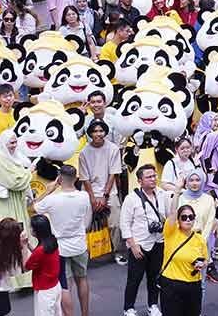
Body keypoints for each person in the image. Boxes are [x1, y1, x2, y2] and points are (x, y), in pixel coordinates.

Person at [33, 165, 93, 316]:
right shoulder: (84, 196)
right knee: (82, 278)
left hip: (60, 247)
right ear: (76, 178)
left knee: (64, 284)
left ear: (59, 178)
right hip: (79, 244)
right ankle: (85, 314)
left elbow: (34, 207)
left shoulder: (52, 200)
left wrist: (48, 190)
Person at [120, 165, 169, 316]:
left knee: (155, 277)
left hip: (158, 242)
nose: (153, 179)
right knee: (134, 279)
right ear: (140, 181)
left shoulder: (162, 194)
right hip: (139, 244)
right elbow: (125, 224)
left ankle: (153, 305)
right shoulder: (131, 198)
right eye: (149, 177)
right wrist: (133, 245)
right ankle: (128, 307)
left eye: (154, 176)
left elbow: (169, 215)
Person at [0, 131, 34, 289]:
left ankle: (25, 279)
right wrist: (28, 173)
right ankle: (9, 279)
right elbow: (12, 182)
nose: (14, 145)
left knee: (22, 238)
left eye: (15, 142)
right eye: (11, 142)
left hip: (18, 202)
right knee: (8, 239)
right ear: (3, 143)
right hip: (6, 203)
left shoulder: (18, 157)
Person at [78, 120, 122, 265]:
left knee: (115, 223)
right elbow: (84, 178)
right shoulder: (84, 152)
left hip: (109, 192)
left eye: (101, 131)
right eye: (95, 131)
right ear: (90, 133)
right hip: (89, 193)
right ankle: (83, 255)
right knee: (84, 224)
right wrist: (92, 198)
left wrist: (104, 196)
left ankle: (116, 252)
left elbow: (113, 174)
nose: (98, 134)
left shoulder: (113, 149)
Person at [158, 193, 207, 316]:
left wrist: (202, 264)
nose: (188, 220)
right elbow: (172, 213)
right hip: (172, 284)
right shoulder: (171, 233)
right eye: (184, 217)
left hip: (193, 285)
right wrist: (177, 190)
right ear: (178, 220)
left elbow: (206, 260)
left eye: (191, 217)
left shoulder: (199, 239)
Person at [23, 214, 62, 316]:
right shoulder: (52, 241)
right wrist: (28, 245)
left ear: (37, 231)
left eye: (32, 227)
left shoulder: (40, 250)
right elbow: (39, 257)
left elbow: (25, 267)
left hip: (44, 291)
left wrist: (23, 247)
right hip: (55, 286)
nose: (30, 229)